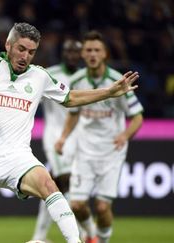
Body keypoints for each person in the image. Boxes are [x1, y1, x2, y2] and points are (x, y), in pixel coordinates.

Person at [0, 23, 140, 243]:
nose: (25, 56)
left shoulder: (39, 77)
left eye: (31, 52)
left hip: (17, 157)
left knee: (49, 186)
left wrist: (109, 92)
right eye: (21, 49)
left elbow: (70, 98)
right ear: (8, 45)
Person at [55, 31, 143, 243]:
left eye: (97, 50)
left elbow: (138, 116)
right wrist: (63, 137)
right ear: (83, 54)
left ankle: (101, 241)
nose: (92, 54)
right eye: (88, 50)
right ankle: (90, 235)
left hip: (111, 152)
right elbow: (73, 114)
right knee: (76, 205)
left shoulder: (118, 81)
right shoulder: (76, 80)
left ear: (105, 54)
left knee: (103, 207)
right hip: (84, 151)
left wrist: (125, 135)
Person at [31, 39, 93, 242]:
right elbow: (32, 98)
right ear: (63, 53)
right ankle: (82, 233)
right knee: (65, 182)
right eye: (69, 51)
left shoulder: (85, 77)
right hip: (55, 138)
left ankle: (40, 235)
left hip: (79, 139)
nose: (73, 55)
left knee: (52, 187)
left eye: (76, 52)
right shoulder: (50, 74)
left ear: (81, 55)